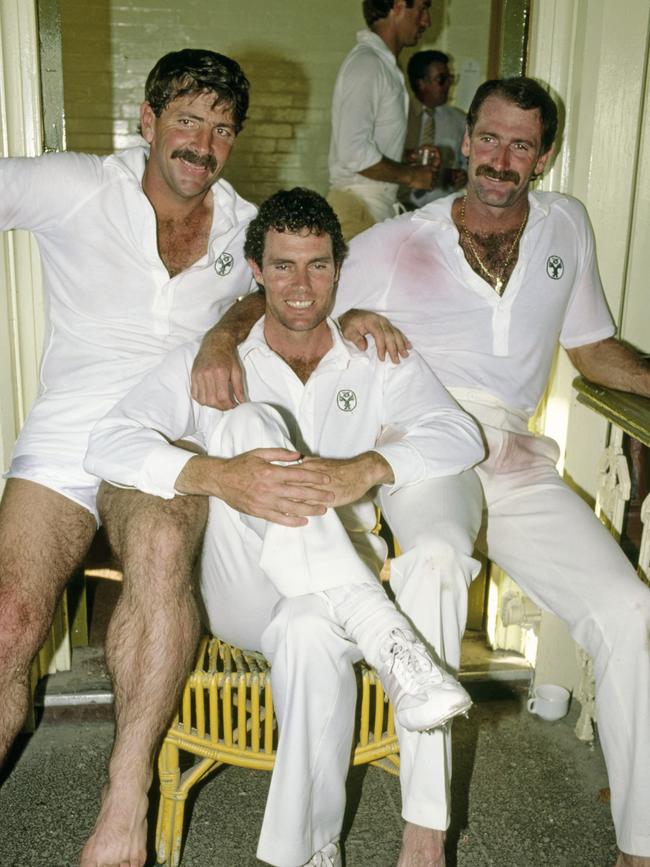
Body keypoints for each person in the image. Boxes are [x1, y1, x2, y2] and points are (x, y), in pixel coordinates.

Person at [0, 48, 366, 867]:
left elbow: (303, 276)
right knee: (8, 619)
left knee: (164, 547)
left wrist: (225, 328)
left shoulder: (245, 221)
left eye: (222, 129)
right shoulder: (77, 185)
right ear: (149, 120)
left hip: (169, 441)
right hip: (67, 436)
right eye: (188, 121)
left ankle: (124, 802)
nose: (203, 144)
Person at [84, 187, 485, 866]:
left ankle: (307, 849)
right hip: (244, 584)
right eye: (284, 265)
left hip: (328, 591)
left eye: (319, 265)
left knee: (305, 632)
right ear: (255, 269)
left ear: (340, 267)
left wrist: (368, 466)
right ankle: (387, 634)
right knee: (245, 424)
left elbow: (459, 436)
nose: (301, 285)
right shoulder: (212, 359)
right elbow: (107, 444)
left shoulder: (371, 352)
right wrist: (217, 475)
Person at [329, 77, 650, 867]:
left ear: (543, 158)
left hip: (512, 458)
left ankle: (640, 847)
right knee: (435, 563)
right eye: (489, 139)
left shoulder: (566, 227)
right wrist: (346, 316)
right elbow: (296, 307)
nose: (499, 160)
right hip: (428, 447)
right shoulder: (400, 241)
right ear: (466, 140)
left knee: (629, 609)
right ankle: (425, 834)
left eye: (520, 145)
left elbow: (591, 347)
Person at [326, 0, 439, 240]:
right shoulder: (368, 64)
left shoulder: (383, 66)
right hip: (357, 208)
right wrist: (412, 175)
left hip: (371, 208)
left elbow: (364, 147)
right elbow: (354, 153)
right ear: (398, 6)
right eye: (422, 9)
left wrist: (407, 157)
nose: (426, 20)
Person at [399, 50, 467, 209]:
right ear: (421, 83)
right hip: (400, 208)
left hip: (441, 210)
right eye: (441, 79)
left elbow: (468, 162)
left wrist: (462, 175)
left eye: (450, 78)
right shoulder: (399, 117)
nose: (449, 84)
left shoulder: (459, 120)